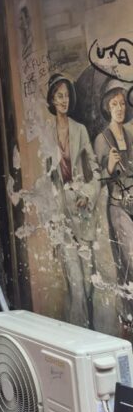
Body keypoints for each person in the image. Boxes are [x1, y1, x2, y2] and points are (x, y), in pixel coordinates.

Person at [45, 73, 102, 328]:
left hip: (82, 212)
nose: (64, 100)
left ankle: (86, 332)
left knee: (88, 285)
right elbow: (46, 180)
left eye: (67, 95)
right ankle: (79, 335)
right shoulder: (47, 135)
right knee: (76, 285)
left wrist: (87, 194)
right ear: (52, 100)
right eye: (59, 96)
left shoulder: (80, 130)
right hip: (62, 216)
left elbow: (96, 171)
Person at [94, 79, 133, 288]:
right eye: (114, 104)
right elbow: (95, 180)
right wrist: (108, 166)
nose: (119, 108)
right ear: (107, 107)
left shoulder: (130, 135)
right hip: (118, 207)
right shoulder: (102, 140)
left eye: (122, 103)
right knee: (130, 259)